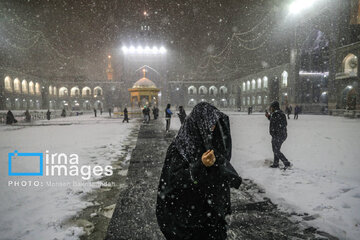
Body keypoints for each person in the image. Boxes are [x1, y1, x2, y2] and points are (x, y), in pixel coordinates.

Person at [156, 102, 242, 240]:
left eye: (214, 125)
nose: (213, 128)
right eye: (210, 124)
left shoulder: (209, 145)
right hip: (189, 223)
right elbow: (174, 183)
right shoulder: (179, 149)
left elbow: (219, 180)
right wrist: (200, 166)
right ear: (198, 123)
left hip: (212, 222)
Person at [265, 101, 291, 169]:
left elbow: (278, 123)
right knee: (276, 149)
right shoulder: (279, 113)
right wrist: (268, 117)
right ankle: (276, 163)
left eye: (271, 107)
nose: (270, 109)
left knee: (276, 150)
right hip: (281, 135)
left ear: (274, 107)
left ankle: (286, 162)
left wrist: (276, 133)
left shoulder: (276, 114)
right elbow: (275, 121)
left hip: (278, 135)